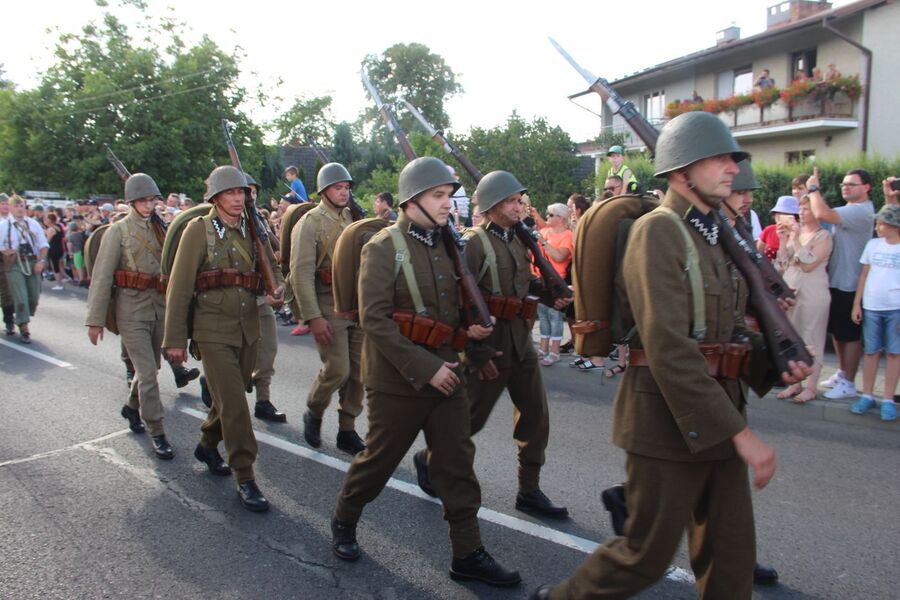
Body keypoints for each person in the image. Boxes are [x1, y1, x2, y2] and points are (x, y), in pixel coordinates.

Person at [530, 111, 810, 600]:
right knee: (644, 556)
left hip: (718, 412)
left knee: (731, 559)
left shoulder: (716, 235)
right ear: (682, 171)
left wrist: (776, 359)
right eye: (719, 158)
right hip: (664, 420)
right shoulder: (659, 232)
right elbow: (669, 346)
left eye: (732, 158)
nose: (732, 168)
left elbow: (725, 333)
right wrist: (741, 434)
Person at [330, 157, 520, 587]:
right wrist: (426, 368)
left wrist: (471, 337)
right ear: (412, 199)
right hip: (398, 381)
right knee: (377, 462)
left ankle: (468, 554)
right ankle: (344, 519)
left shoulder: (446, 245)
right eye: (438, 196)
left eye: (448, 196)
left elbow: (450, 312)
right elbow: (374, 320)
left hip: (448, 373)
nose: (447, 204)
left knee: (456, 466)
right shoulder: (383, 247)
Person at [415, 169, 571, 519]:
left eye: (520, 200)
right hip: (489, 345)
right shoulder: (473, 242)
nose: (520, 207)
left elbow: (524, 283)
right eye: (514, 201)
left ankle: (529, 490)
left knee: (535, 416)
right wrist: (474, 350)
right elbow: (459, 299)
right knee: (469, 421)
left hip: (520, 340)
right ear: (495, 205)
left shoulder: (518, 239)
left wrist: (551, 293)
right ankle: (430, 460)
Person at [163, 165, 284, 512]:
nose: (238, 198)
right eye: (231, 192)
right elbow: (180, 287)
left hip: (247, 328)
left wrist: (279, 290)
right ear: (215, 197)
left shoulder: (254, 229)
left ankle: (206, 443)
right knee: (234, 405)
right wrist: (174, 340)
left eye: (242, 192)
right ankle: (245, 475)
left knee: (226, 400)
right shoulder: (197, 231)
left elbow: (273, 273)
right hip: (211, 330)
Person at [85, 173, 174, 459]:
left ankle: (131, 407)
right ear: (132, 202)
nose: (149, 205)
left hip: (159, 307)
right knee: (147, 373)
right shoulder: (117, 232)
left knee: (152, 368)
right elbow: (101, 277)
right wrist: (95, 319)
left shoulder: (163, 230)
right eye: (143, 200)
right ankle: (157, 431)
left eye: (152, 200)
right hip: (131, 309)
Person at [290, 163, 366, 455]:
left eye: (347, 187)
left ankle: (347, 429)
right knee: (338, 369)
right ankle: (315, 409)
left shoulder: (354, 217)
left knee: (359, 373)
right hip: (326, 303)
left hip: (356, 303)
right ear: (324, 191)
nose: (344, 192)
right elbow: (301, 273)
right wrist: (312, 317)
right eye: (338, 187)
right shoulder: (310, 222)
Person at [807, 167, 876, 400]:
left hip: (851, 283)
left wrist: (814, 189)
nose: (845, 187)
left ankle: (848, 382)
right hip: (837, 279)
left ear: (866, 187)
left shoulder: (862, 211)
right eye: (843, 184)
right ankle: (842, 372)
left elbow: (821, 214)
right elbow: (823, 210)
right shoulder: (849, 210)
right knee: (838, 331)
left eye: (851, 184)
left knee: (850, 335)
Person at [775, 195, 832, 403]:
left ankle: (810, 386)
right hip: (792, 291)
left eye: (806, 209)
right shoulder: (796, 233)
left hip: (813, 293)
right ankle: (794, 383)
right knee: (792, 338)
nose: (801, 212)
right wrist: (783, 239)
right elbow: (783, 262)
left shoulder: (823, 236)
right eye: (800, 208)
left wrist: (797, 240)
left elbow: (808, 264)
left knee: (812, 338)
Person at [849, 205, 900, 421]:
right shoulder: (872, 245)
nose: (877, 227)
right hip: (871, 306)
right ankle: (867, 394)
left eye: (881, 223)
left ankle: (887, 398)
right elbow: (863, 276)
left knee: (894, 353)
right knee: (870, 352)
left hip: (895, 307)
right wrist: (857, 304)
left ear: (894, 225)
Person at [246, 173, 288, 422]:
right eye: (244, 191)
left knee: (268, 350)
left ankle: (263, 401)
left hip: (260, 297)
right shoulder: (218, 225)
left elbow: (273, 260)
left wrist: (279, 285)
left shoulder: (259, 221)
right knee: (236, 355)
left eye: (253, 191)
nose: (249, 196)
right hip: (233, 301)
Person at [0, 195, 49, 343]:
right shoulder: (4, 225)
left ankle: (24, 316)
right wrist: (5, 251)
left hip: (32, 262)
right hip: (13, 264)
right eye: (16, 206)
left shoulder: (33, 224)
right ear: (10, 207)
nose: (20, 209)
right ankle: (24, 327)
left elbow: (43, 244)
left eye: (22, 206)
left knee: (33, 297)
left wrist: (41, 261)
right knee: (19, 296)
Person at [535, 203, 573, 366]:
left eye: (551, 215)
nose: (547, 217)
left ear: (561, 218)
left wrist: (543, 243)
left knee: (555, 316)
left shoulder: (568, 235)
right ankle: (543, 348)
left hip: (558, 280)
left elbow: (559, 257)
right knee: (543, 315)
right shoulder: (543, 232)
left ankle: (555, 351)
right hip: (540, 279)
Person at [757, 196, 800, 263]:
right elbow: (758, 252)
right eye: (778, 213)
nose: (780, 217)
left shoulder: (800, 233)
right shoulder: (769, 230)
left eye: (786, 214)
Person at [0, 193, 15, 334]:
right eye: (2, 203)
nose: (5, 206)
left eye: (6, 203)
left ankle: (9, 319)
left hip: (12, 258)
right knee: (5, 291)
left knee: (8, 291)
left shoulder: (15, 220)